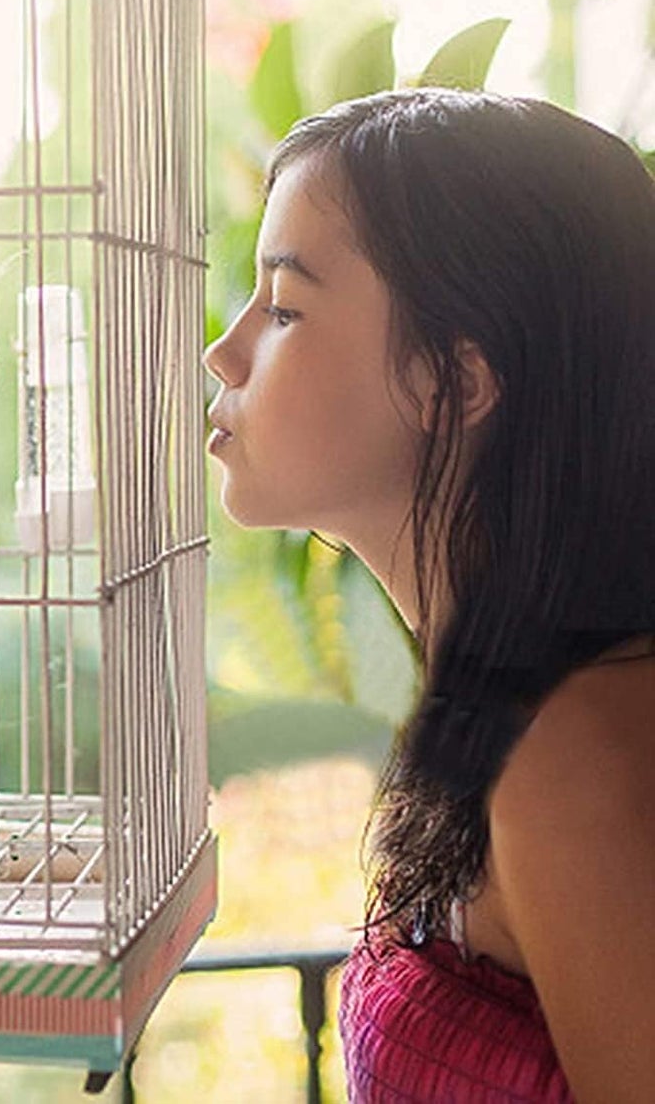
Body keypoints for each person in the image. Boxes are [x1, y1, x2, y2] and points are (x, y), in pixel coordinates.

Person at [202, 88, 655, 1102]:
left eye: (284, 307)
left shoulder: (573, 754)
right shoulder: (493, 707)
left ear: (452, 380)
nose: (222, 352)